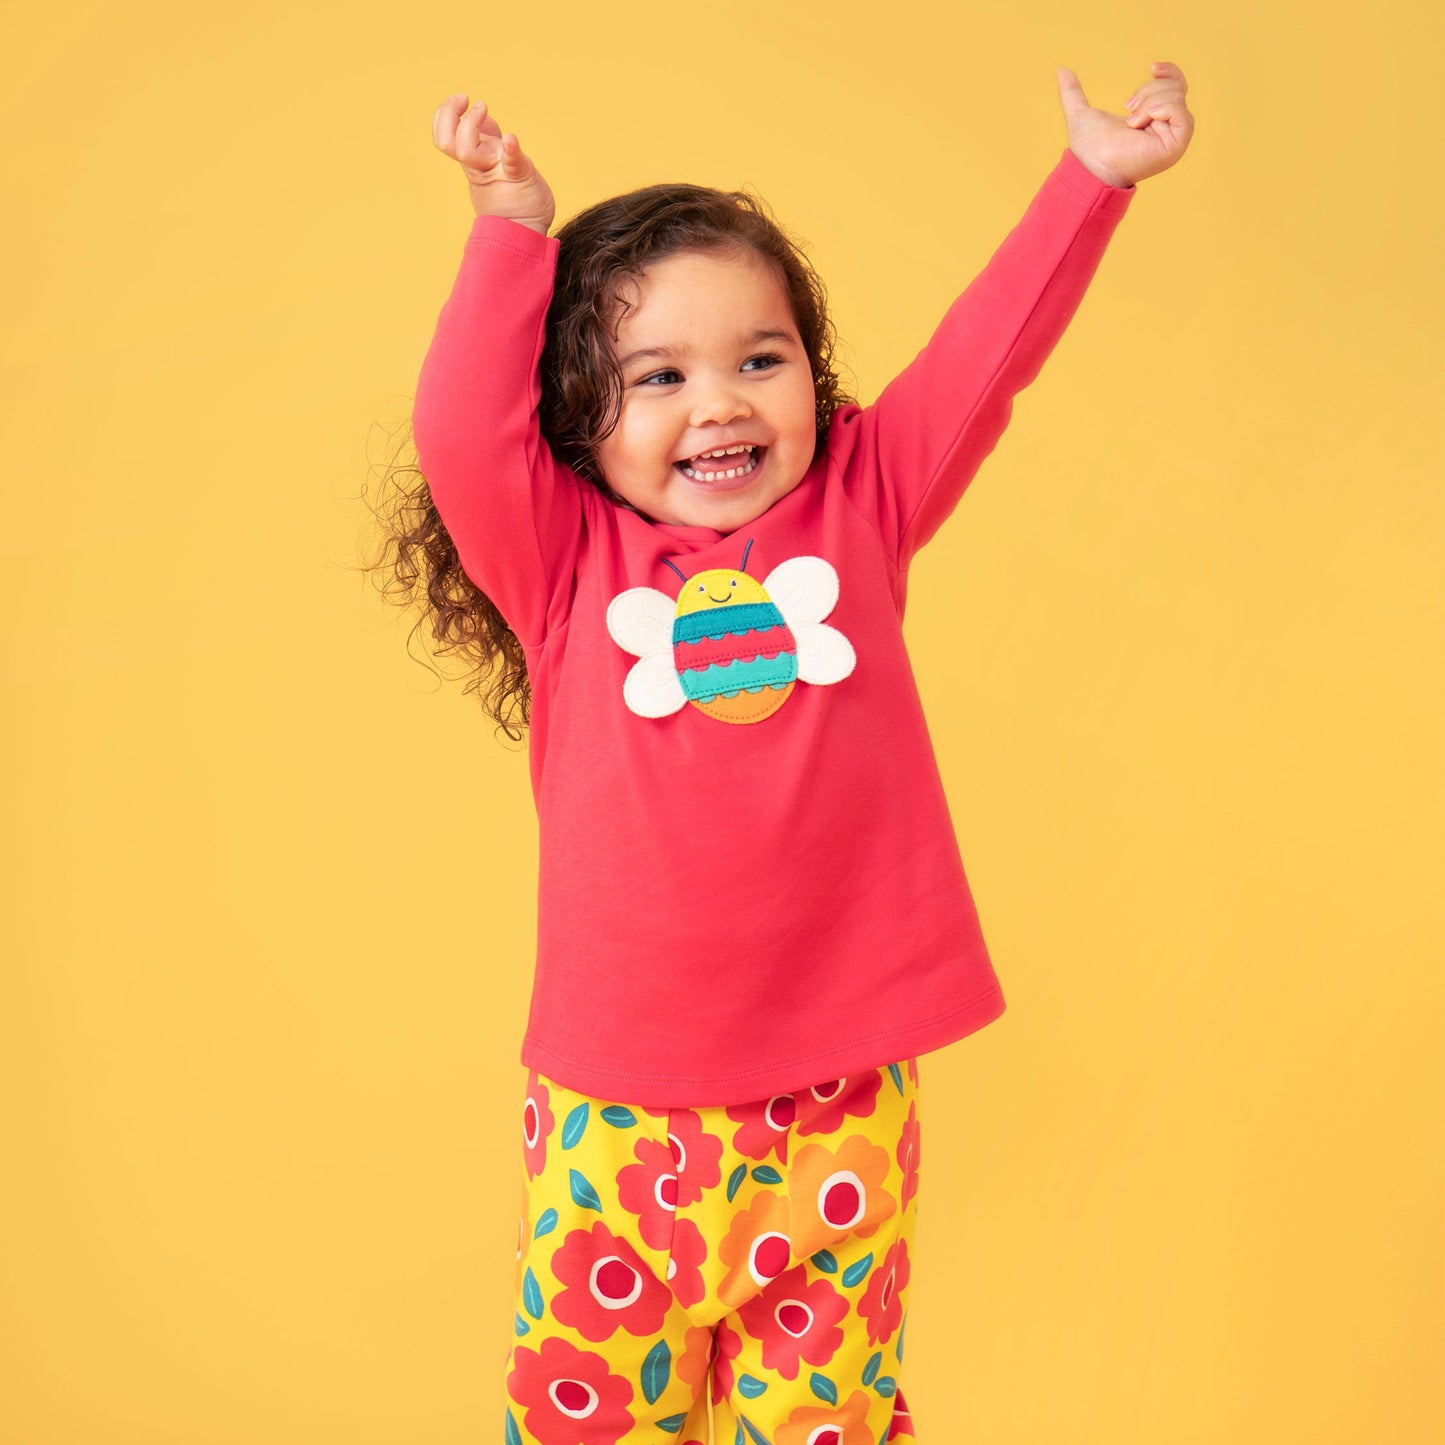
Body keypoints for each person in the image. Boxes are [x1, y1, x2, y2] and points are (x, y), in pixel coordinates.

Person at [381, 61, 1193, 1444]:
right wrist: (509, 231)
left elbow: (984, 361)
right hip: (616, 1117)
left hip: (839, 1101)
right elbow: (461, 430)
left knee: (824, 1418)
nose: (721, 405)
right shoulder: (561, 563)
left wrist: (1091, 183)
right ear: (574, 412)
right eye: (658, 377)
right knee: (590, 1423)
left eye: (761, 360)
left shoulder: (861, 507)